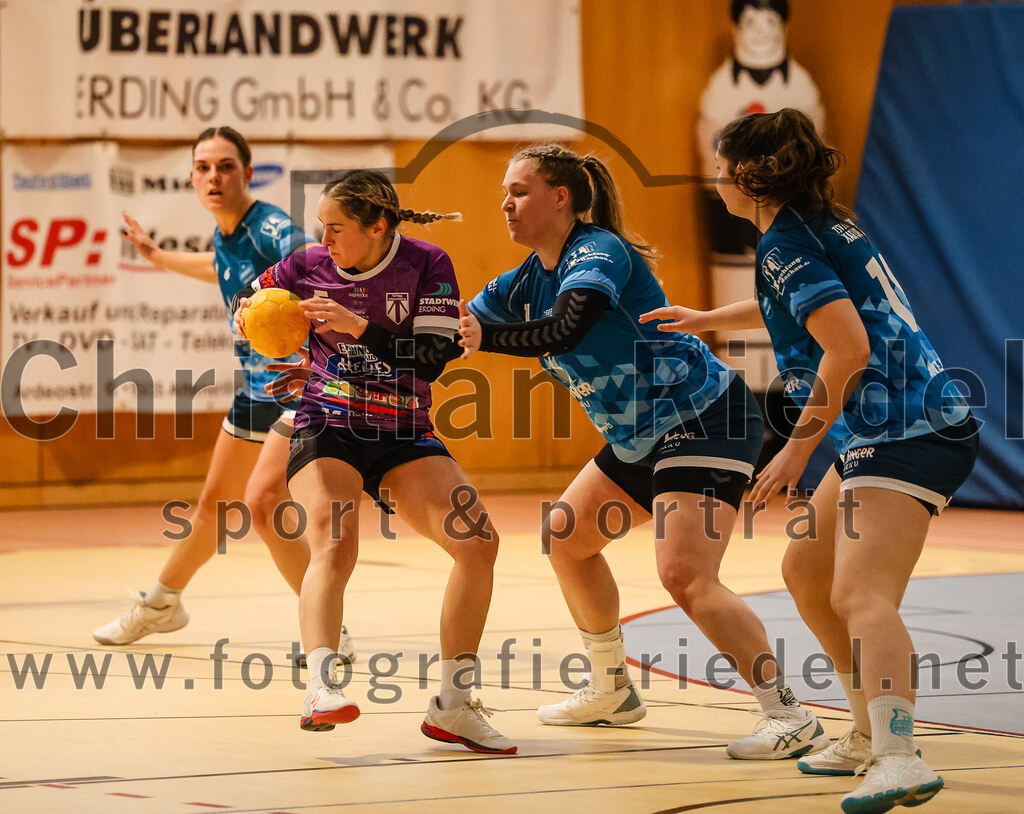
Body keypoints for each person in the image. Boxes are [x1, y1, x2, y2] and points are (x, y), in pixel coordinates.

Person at [643, 108, 977, 812]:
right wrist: (709, 320)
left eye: (719, 168)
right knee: (806, 570)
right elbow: (796, 309)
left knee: (861, 595)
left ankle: (899, 755)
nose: (714, 180)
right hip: (891, 426)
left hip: (909, 428)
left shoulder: (785, 244)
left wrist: (796, 450)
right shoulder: (813, 227)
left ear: (746, 177)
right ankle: (866, 732)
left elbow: (847, 346)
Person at [458, 144, 826, 759]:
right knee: (567, 538)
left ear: (561, 198)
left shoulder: (597, 251)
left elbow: (568, 327)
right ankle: (611, 689)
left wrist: (484, 336)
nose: (506, 204)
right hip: (641, 436)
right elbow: (449, 335)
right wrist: (356, 338)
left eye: (519, 191)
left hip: (704, 416)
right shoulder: (520, 282)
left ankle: (788, 714)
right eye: (505, 193)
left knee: (686, 575)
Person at [233, 169, 515, 754]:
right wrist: (247, 316)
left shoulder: (427, 264)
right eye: (322, 227)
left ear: (378, 225)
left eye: (337, 228)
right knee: (334, 542)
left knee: (478, 542)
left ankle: (454, 707)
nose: (325, 239)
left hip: (403, 428)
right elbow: (250, 299)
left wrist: (356, 325)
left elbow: (431, 358)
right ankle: (322, 688)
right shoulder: (306, 265)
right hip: (328, 422)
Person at [92, 126, 354, 665]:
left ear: (247, 173)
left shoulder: (269, 227)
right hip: (256, 389)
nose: (214, 176)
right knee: (214, 505)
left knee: (263, 503)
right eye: (203, 167)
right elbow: (217, 267)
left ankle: (331, 631)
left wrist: (311, 337)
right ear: (192, 177)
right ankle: (162, 604)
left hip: (298, 388)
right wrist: (158, 256)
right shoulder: (227, 234)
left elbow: (320, 266)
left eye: (226, 166)